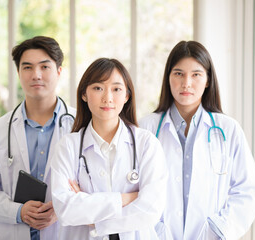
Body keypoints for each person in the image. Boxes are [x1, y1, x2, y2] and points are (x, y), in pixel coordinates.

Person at [139, 40, 255, 240]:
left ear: (207, 80)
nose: (186, 83)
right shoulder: (146, 128)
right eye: (178, 73)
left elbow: (249, 191)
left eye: (196, 74)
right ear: (168, 78)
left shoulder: (227, 130)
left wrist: (219, 229)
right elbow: (130, 188)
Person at [0, 36, 76, 240]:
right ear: (19, 73)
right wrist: (18, 212)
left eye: (44, 67)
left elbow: (96, 188)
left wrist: (63, 209)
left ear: (59, 72)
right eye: (27, 67)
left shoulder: (81, 126)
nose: (36, 75)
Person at [50, 58, 167, 240]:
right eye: (98, 88)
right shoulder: (68, 147)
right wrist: (126, 199)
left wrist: (96, 220)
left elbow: (151, 209)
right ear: (84, 94)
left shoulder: (146, 144)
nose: (108, 98)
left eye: (116, 89)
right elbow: (65, 209)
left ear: (127, 96)